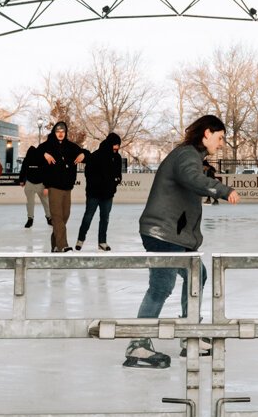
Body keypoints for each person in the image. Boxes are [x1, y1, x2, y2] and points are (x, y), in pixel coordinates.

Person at [124, 114, 239, 370]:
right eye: (219, 138)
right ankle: (137, 344)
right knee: (161, 287)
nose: (220, 144)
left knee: (197, 276)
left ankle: (191, 334)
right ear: (207, 133)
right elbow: (193, 180)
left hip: (174, 234)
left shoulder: (191, 156)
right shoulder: (187, 155)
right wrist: (223, 189)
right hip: (162, 233)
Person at [37, 120, 86, 252]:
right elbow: (34, 154)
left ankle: (54, 243)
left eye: (62, 131)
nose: (60, 134)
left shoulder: (71, 147)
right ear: (54, 132)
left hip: (67, 188)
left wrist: (83, 154)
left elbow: (86, 154)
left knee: (65, 216)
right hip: (54, 187)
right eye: (58, 131)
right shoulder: (47, 146)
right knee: (57, 216)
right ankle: (63, 245)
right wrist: (44, 154)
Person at [77, 131, 123, 251]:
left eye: (118, 145)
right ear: (109, 144)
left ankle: (102, 242)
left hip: (108, 195)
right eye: (115, 145)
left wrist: (114, 183)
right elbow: (88, 173)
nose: (117, 147)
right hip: (94, 193)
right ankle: (80, 239)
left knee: (105, 218)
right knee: (88, 216)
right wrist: (96, 184)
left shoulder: (117, 158)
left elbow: (118, 175)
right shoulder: (96, 155)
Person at [18, 142, 49, 229]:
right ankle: (30, 219)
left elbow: (47, 173)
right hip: (30, 183)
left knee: (45, 202)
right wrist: (21, 180)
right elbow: (23, 170)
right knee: (30, 203)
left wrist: (46, 186)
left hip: (41, 183)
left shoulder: (42, 159)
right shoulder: (27, 159)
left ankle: (49, 217)